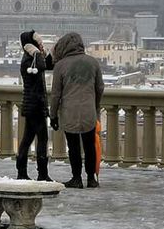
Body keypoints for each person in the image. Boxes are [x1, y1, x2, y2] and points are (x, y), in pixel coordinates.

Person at [50, 32, 104, 189]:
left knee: (73, 147)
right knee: (89, 146)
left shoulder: (60, 66)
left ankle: (76, 178)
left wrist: (53, 115)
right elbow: (100, 87)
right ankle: (91, 178)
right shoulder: (93, 62)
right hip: (89, 110)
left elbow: (55, 95)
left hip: (69, 112)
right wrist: (95, 105)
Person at [15, 30, 54, 181]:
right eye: (38, 43)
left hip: (34, 105)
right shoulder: (28, 60)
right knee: (42, 139)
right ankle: (42, 174)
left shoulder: (32, 58)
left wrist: (46, 52)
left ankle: (22, 172)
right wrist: (37, 53)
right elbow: (41, 66)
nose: (41, 45)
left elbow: (49, 65)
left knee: (27, 139)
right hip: (35, 106)